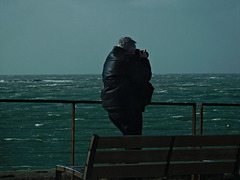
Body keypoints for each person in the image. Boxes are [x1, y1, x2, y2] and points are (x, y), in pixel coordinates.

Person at [101, 37, 154, 135]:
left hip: (112, 105)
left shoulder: (112, 56)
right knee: (134, 141)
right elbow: (145, 76)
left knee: (128, 138)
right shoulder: (127, 59)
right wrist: (144, 59)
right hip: (127, 107)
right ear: (130, 50)